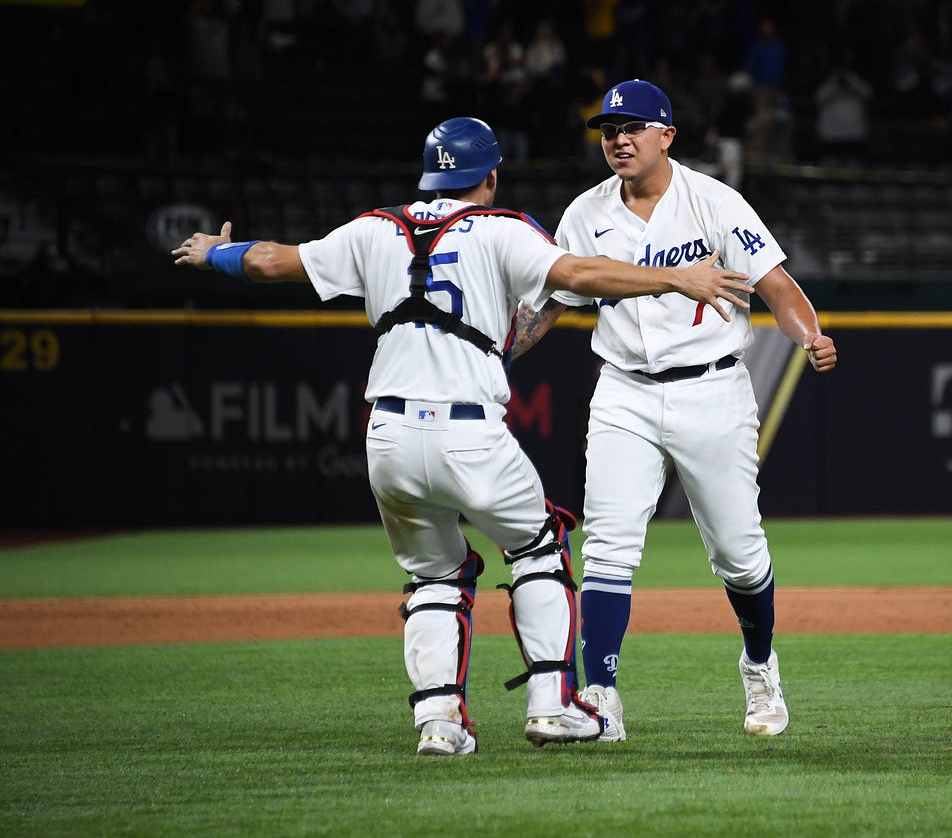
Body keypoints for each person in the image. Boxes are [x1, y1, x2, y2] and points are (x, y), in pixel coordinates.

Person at [171, 116, 754, 755]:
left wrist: (216, 254)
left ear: (429, 175)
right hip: (468, 432)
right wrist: (676, 276)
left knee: (432, 575)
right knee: (539, 548)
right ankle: (554, 706)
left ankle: (439, 724)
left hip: (387, 436)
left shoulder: (373, 229)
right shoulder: (502, 228)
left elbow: (273, 261)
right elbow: (583, 276)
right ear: (492, 176)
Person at [510, 79, 838, 740]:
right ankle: (599, 695)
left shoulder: (713, 202)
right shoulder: (586, 213)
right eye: (608, 129)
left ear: (667, 136)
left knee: (741, 556)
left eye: (633, 127)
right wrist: (497, 352)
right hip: (624, 390)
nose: (618, 139)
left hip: (712, 389)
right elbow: (548, 305)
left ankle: (758, 663)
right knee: (607, 545)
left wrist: (809, 333)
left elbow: (776, 282)